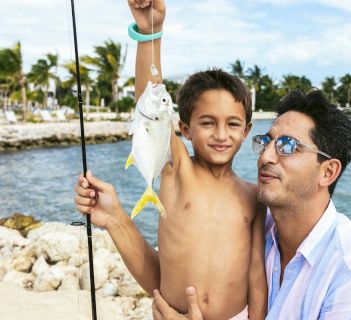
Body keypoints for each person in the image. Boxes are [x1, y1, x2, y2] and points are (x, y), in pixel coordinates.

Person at [73, 0, 267, 319]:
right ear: (184, 129)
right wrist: (151, 32)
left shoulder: (254, 197)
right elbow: (149, 100)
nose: (221, 134)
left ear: (246, 130)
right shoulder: (177, 170)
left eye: (232, 123)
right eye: (207, 122)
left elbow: (257, 277)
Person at [152, 89, 351, 319]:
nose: (266, 156)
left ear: (328, 172)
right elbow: (177, 272)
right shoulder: (252, 228)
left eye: (287, 146)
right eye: (266, 141)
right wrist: (118, 221)